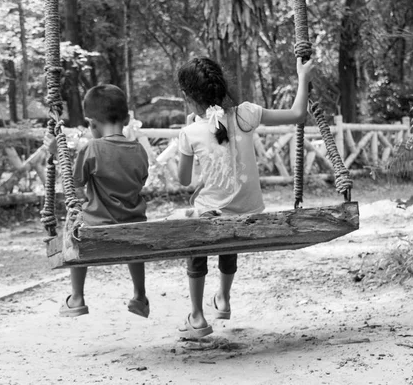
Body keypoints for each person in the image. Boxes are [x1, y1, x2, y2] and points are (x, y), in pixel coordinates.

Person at [176, 56, 313, 338]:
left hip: (212, 215)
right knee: (229, 226)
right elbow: (298, 114)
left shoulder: (189, 132)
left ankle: (198, 316)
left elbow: (183, 179)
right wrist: (303, 77)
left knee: (199, 231)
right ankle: (223, 298)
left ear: (187, 97)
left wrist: (188, 130)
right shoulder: (245, 114)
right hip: (248, 213)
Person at [58, 84, 151, 319]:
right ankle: (140, 295)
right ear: (128, 118)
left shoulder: (92, 149)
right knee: (134, 241)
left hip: (97, 227)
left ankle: (77, 297)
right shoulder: (139, 150)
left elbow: (75, 181)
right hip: (134, 224)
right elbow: (141, 179)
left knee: (73, 228)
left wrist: (55, 154)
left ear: (91, 123)